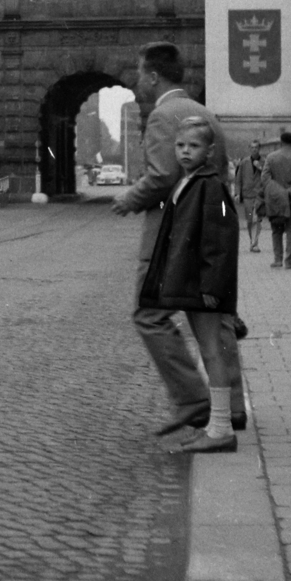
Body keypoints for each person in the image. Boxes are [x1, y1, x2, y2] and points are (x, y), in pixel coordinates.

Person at [109, 42, 245, 436]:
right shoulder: (205, 113)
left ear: (153, 76)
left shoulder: (163, 116)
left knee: (149, 314)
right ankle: (231, 405)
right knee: (213, 317)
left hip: (173, 233)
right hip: (211, 231)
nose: (137, 81)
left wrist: (128, 199)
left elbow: (163, 176)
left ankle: (192, 399)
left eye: (139, 74)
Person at [139, 117, 241, 453]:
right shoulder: (192, 181)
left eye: (193, 146)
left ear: (209, 152)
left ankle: (222, 428)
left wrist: (213, 288)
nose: (185, 151)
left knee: (212, 352)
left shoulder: (209, 186)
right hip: (195, 283)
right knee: (208, 350)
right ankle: (215, 424)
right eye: (181, 145)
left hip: (204, 287)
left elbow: (221, 241)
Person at [262, 130, 291, 268]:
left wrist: (278, 192)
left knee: (276, 230)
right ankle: (289, 261)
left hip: (276, 201)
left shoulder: (271, 158)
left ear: (281, 142)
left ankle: (277, 259)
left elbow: (265, 178)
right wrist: (289, 191)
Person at [237, 147, 266, 253]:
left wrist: (260, 168)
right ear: (250, 149)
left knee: (257, 218)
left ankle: (255, 243)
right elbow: (239, 178)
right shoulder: (244, 162)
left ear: (259, 149)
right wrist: (237, 193)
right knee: (250, 219)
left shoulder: (264, 162)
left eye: (256, 148)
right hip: (247, 194)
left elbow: (267, 176)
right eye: (252, 148)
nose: (254, 150)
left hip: (259, 194)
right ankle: (251, 240)